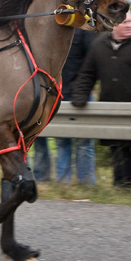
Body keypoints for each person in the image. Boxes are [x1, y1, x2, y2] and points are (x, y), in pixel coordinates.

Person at [72, 10, 131, 191]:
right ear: (113, 24)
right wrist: (79, 96)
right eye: (125, 22)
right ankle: (123, 187)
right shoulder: (99, 46)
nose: (129, 25)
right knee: (119, 151)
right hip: (112, 112)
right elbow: (87, 74)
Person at [33, 27, 98, 185]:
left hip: (80, 95)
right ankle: (63, 182)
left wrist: (82, 88)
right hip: (56, 93)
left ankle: (86, 183)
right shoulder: (52, 29)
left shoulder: (85, 30)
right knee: (62, 141)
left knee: (84, 142)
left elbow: (92, 62)